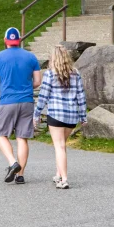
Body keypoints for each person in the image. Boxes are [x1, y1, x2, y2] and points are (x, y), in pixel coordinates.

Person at [0, 28, 42, 184]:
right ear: (19, 41)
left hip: (7, 101)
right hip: (27, 102)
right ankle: (20, 175)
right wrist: (24, 88)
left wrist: (2, 88)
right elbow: (37, 82)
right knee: (22, 138)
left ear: (6, 41)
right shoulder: (31, 57)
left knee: (0, 134)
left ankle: (12, 163)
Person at [33, 45, 86, 189]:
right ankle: (58, 174)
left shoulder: (50, 74)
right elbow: (81, 96)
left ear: (53, 58)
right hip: (71, 116)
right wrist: (83, 116)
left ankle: (64, 179)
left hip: (56, 114)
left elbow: (43, 96)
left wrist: (36, 113)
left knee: (59, 146)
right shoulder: (76, 73)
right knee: (62, 146)